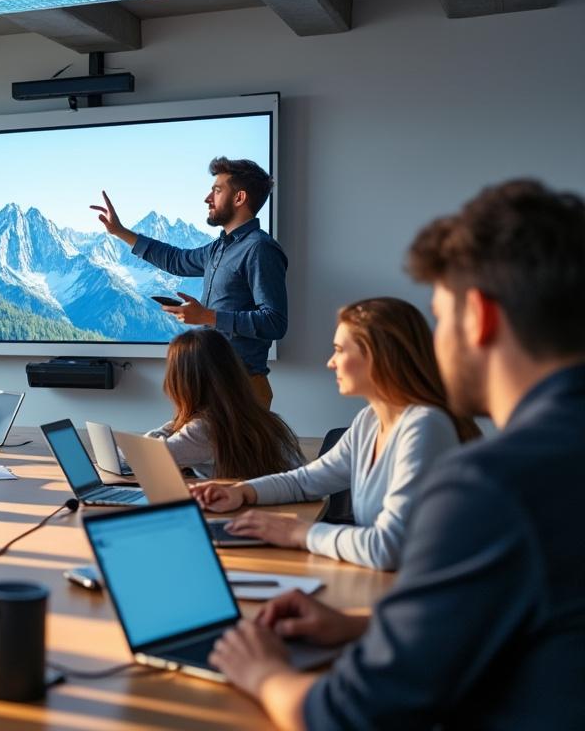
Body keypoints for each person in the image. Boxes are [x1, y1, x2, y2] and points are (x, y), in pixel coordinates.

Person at [208, 180, 585, 729]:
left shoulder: (492, 484)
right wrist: (366, 625)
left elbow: (349, 715)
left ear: (479, 317)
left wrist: (264, 672)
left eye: (440, 315)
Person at [191, 297, 478, 570]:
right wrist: (242, 492)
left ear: (378, 356)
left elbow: (389, 547)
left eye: (340, 350)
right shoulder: (369, 421)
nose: (331, 362)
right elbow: (306, 482)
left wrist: (300, 533)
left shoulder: (424, 426)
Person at [93, 157, 286, 407]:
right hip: (213, 382)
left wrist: (208, 316)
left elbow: (275, 322)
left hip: (243, 388)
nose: (207, 198)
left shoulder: (260, 249)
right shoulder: (219, 248)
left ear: (239, 198)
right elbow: (176, 260)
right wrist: (120, 232)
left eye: (217, 190)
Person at [146, 328, 305, 480]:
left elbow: (140, 456)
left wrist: (175, 424)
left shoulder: (205, 429)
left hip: (266, 506)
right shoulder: (254, 417)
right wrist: (178, 423)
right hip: (287, 503)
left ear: (182, 383)